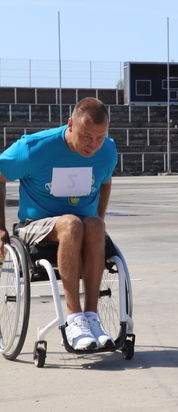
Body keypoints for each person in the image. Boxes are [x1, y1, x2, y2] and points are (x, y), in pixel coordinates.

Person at [0, 97, 118, 351]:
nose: (93, 145)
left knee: (95, 225)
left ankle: (92, 318)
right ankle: (74, 319)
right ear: (70, 125)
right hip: (36, 225)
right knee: (72, 223)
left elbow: (106, 181)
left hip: (82, 224)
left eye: (100, 137)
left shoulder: (107, 150)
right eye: (87, 136)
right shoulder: (32, 148)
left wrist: (99, 218)